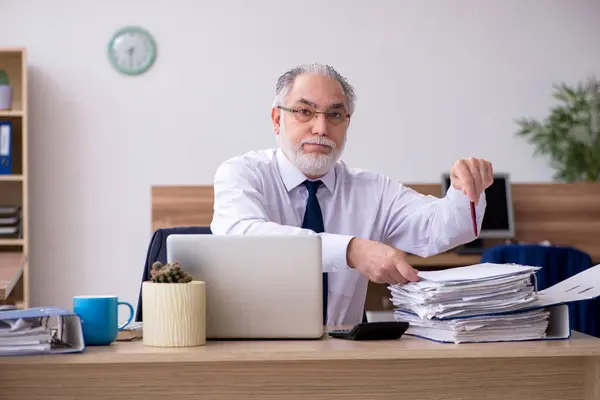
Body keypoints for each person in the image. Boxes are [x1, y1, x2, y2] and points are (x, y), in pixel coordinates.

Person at [210, 63, 494, 326]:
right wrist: (350, 250)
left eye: (334, 115)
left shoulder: (372, 189)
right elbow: (241, 240)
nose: (321, 128)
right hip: (256, 355)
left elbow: (439, 230)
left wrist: (463, 190)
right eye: (304, 111)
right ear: (276, 119)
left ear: (346, 124)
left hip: (344, 356)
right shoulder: (242, 173)